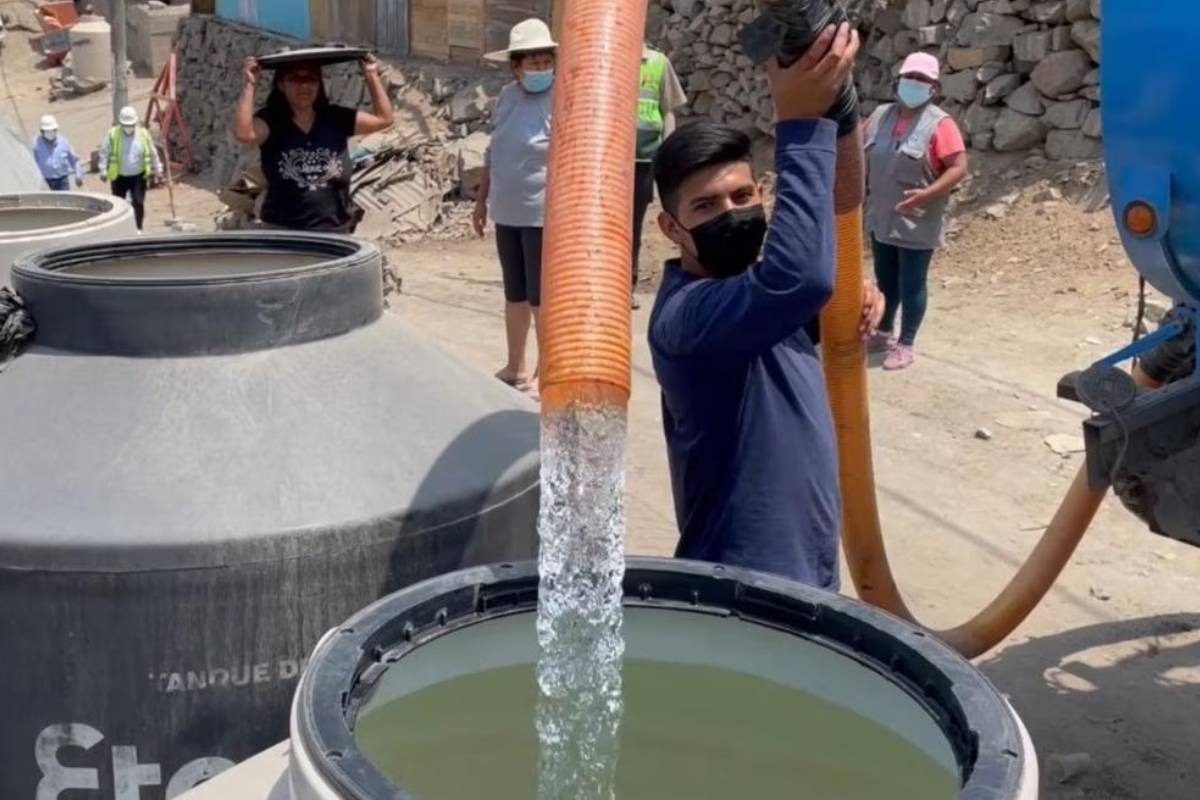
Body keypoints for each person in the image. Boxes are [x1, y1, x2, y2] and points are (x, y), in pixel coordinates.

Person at [648, 24, 860, 589]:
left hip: (803, 566)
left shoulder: (755, 295)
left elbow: (805, 292)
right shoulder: (687, 319)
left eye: (743, 196)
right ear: (671, 228)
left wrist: (847, 303)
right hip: (742, 586)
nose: (732, 212)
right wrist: (798, 124)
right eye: (707, 205)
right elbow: (800, 279)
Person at [863, 51, 968, 371]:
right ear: (899, 80)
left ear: (933, 87)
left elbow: (958, 167)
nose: (914, 84)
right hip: (882, 214)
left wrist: (926, 195)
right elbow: (857, 148)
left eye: (922, 80)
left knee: (912, 281)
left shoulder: (940, 124)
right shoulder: (881, 116)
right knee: (885, 278)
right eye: (910, 77)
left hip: (917, 218)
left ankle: (906, 343)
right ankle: (883, 332)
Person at [472, 18, 556, 396]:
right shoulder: (507, 96)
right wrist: (480, 200)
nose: (540, 68)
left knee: (542, 298)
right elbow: (495, 149)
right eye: (532, 62)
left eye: (545, 61)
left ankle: (545, 372)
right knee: (515, 294)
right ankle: (516, 365)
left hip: (544, 215)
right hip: (507, 211)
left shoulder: (563, 98)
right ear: (516, 66)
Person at [233, 53, 394, 233]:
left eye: (311, 78)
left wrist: (371, 75)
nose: (304, 85)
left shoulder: (335, 119)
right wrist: (250, 84)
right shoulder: (272, 121)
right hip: (282, 231)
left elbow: (383, 119)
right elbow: (245, 134)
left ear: (319, 84)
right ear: (281, 85)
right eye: (294, 78)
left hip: (335, 230)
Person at [631, 45, 687, 309]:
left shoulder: (658, 62)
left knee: (632, 227)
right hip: (607, 159)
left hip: (644, 160)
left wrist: (669, 151)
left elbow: (669, 111)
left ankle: (625, 286)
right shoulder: (606, 54)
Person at [99, 106, 162, 230]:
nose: (129, 127)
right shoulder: (112, 134)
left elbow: (152, 152)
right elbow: (104, 152)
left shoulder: (143, 134)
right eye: (126, 125)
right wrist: (103, 170)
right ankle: (120, 229)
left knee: (138, 202)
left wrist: (158, 168)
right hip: (119, 176)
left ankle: (138, 228)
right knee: (119, 204)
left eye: (131, 124)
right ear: (120, 123)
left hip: (138, 176)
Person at [32, 115, 82, 191]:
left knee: (64, 201)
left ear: (56, 130)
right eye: (47, 131)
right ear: (42, 131)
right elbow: (33, 164)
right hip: (46, 181)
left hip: (62, 180)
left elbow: (74, 160)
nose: (50, 134)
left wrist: (78, 175)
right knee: (49, 202)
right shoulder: (36, 145)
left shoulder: (64, 143)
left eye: (52, 130)